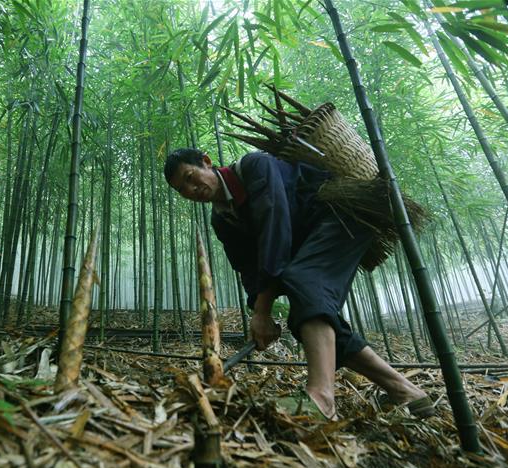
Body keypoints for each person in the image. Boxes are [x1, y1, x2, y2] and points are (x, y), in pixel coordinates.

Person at [163, 148, 433, 420]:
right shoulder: (221, 219)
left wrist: (263, 311)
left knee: (304, 281)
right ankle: (406, 391)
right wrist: (260, 313)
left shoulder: (255, 166)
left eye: (190, 176)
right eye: (181, 189)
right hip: (306, 244)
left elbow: (275, 228)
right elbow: (247, 267)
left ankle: (322, 398)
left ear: (207, 162)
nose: (191, 189)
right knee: (303, 317)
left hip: (339, 216)